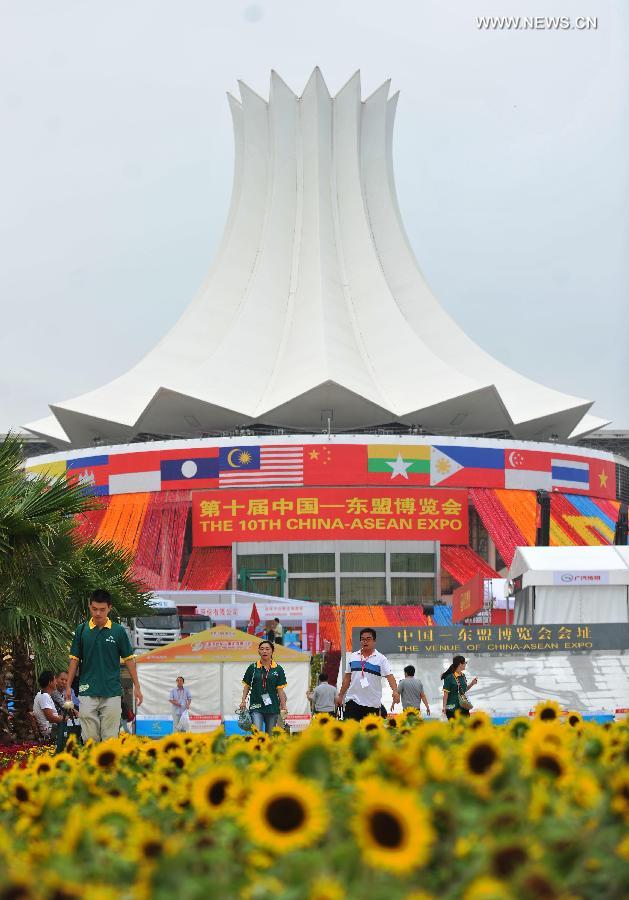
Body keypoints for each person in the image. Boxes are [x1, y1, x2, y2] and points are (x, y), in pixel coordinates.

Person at [65, 589, 143, 743]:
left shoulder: (119, 631)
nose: (98, 613)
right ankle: (92, 763)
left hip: (112, 691)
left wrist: (137, 687)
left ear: (109, 608)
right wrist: (68, 686)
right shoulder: (81, 630)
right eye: (94, 609)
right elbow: (74, 660)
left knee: (110, 738)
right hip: (87, 690)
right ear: (89, 607)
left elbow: (129, 660)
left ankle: (108, 765)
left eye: (102, 609)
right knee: (90, 738)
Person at [336, 628, 400, 721]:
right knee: (350, 731)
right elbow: (347, 678)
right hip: (352, 701)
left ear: (374, 641)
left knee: (370, 734)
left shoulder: (381, 659)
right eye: (363, 639)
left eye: (368, 639)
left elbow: (390, 676)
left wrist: (395, 691)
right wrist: (340, 695)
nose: (365, 641)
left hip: (372, 704)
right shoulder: (353, 657)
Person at [239, 640, 288, 733]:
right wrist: (243, 701)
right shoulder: (252, 668)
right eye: (262, 649)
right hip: (256, 706)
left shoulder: (278, 669)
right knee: (257, 732)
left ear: (272, 651)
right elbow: (247, 686)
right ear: (258, 651)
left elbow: (280, 689)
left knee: (270, 735)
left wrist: (284, 705)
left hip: (272, 707)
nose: (264, 651)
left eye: (267, 649)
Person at [441, 655, 478, 720]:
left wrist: (472, 683)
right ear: (460, 664)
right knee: (454, 728)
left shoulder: (463, 676)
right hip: (452, 709)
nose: (465, 664)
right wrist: (444, 707)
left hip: (463, 707)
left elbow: (463, 690)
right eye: (465, 663)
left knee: (465, 727)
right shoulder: (449, 677)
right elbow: (445, 694)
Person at [33, 670, 64, 739]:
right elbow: (51, 718)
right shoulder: (44, 696)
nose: (56, 682)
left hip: (53, 728)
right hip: (51, 731)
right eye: (55, 680)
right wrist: (67, 719)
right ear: (50, 682)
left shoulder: (42, 694)